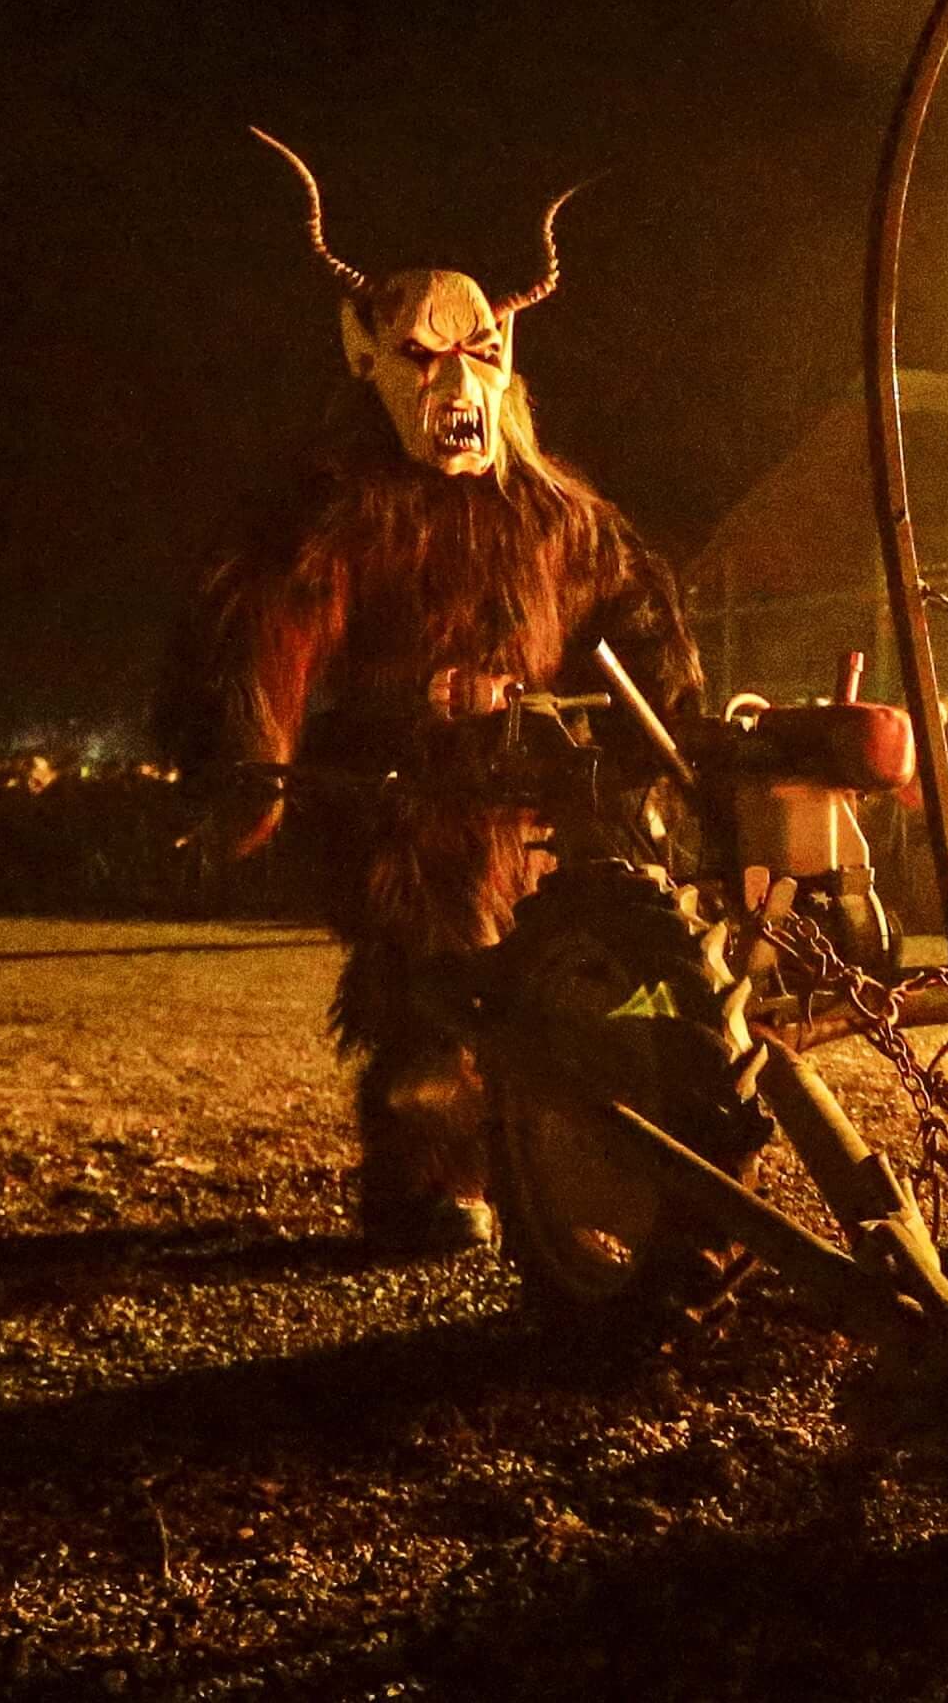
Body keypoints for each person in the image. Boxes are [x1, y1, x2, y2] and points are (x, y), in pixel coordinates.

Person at [161, 132, 698, 1255]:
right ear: (367, 358)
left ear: (508, 360)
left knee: (609, 960)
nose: (454, 387)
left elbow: (636, 606)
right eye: (419, 356)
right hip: (407, 793)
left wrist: (670, 732)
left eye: (479, 356)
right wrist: (246, 765)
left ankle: (574, 1157)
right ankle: (429, 1180)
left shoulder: (556, 511)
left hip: (544, 785)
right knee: (436, 974)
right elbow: (263, 619)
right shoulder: (343, 504)